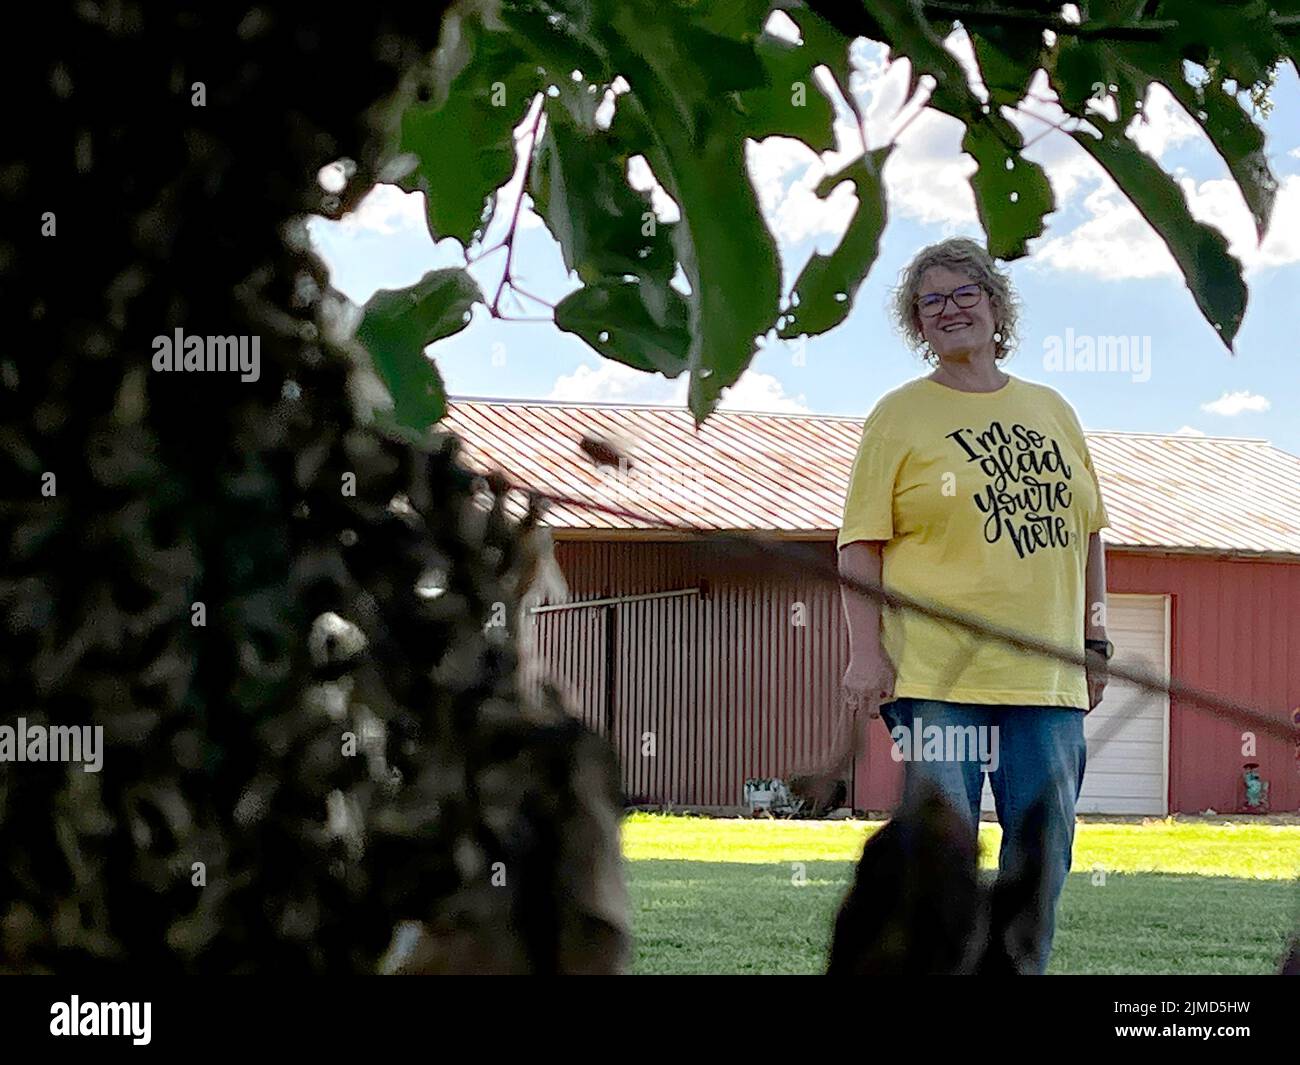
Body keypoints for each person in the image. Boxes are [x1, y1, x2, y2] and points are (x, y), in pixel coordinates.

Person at [837, 236, 1112, 974]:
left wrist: (1096, 639)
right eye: (933, 301)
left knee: (1042, 857)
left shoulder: (1053, 409)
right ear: (917, 324)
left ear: (996, 307)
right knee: (938, 860)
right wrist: (867, 653)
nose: (951, 309)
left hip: (1046, 684)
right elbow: (859, 545)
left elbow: (1088, 533)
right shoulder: (898, 417)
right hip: (936, 684)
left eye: (966, 294)